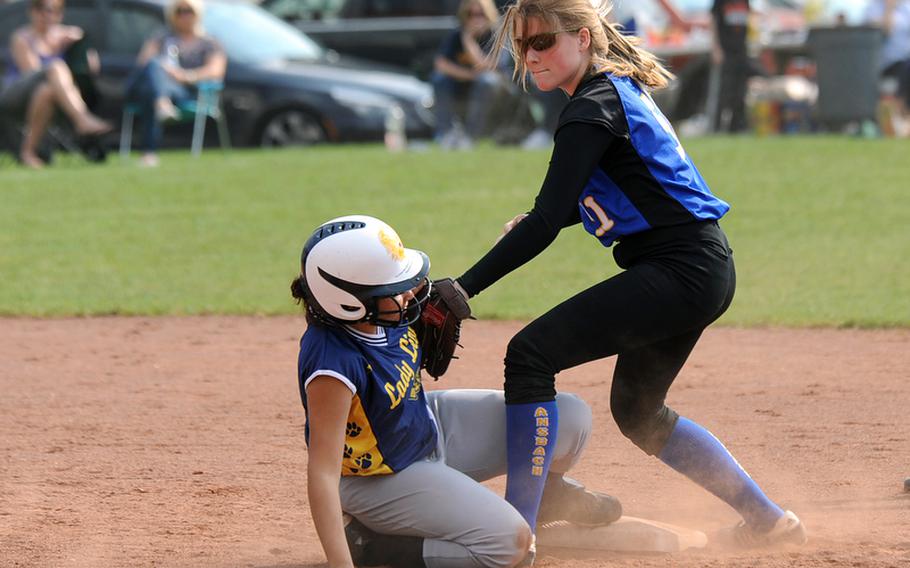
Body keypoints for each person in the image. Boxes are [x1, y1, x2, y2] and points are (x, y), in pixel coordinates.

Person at [447, 0, 807, 551]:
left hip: (680, 268)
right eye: (523, 45)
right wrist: (554, 213)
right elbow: (624, 185)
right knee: (638, 412)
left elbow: (545, 220)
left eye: (542, 41)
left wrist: (460, 289)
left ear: (584, 39)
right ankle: (767, 520)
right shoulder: (608, 92)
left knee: (529, 355)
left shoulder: (590, 107)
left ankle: (518, 527)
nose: (531, 56)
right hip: (701, 266)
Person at [293, 215, 621, 568]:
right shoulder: (333, 366)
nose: (409, 292)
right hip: (382, 477)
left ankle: (548, 497)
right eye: (395, 287)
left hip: (424, 425)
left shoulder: (381, 308)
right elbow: (324, 474)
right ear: (350, 302)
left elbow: (442, 295)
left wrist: (510, 241)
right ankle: (371, 545)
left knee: (569, 418)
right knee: (511, 546)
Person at [0, 0, 111, 168]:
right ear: (32, 12)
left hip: (47, 94)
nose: (47, 15)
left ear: (61, 14)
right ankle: (81, 118)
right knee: (55, 68)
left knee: (46, 92)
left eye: (54, 10)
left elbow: (93, 69)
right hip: (15, 94)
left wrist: (81, 43)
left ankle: (28, 153)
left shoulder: (67, 36)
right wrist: (57, 51)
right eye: (41, 9)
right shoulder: (22, 38)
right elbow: (33, 72)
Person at [124, 0, 226, 167]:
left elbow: (216, 71)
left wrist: (184, 76)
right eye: (179, 11)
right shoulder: (161, 38)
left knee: (151, 88)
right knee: (154, 68)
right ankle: (161, 103)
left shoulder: (209, 43)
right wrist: (164, 69)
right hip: (155, 87)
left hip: (186, 91)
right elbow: (143, 64)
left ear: (197, 13)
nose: (184, 15)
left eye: (188, 11)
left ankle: (149, 152)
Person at [431, 0, 503, 148]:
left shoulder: (495, 34)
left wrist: (469, 41)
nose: (476, 19)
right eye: (471, 14)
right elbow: (440, 64)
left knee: (487, 81)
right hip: (463, 83)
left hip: (492, 90)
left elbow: (486, 66)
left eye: (480, 14)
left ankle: (470, 137)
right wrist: (469, 75)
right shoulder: (457, 34)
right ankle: (445, 134)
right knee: (439, 79)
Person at [865, 0, 910, 137]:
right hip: (887, 63)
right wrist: (889, 8)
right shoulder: (872, 8)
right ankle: (901, 113)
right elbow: (886, 30)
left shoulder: (906, 7)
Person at [711, 0, 751, 133]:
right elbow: (714, 21)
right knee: (725, 91)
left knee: (740, 90)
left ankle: (737, 126)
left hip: (741, 50)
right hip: (726, 50)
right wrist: (716, 48)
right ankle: (717, 126)